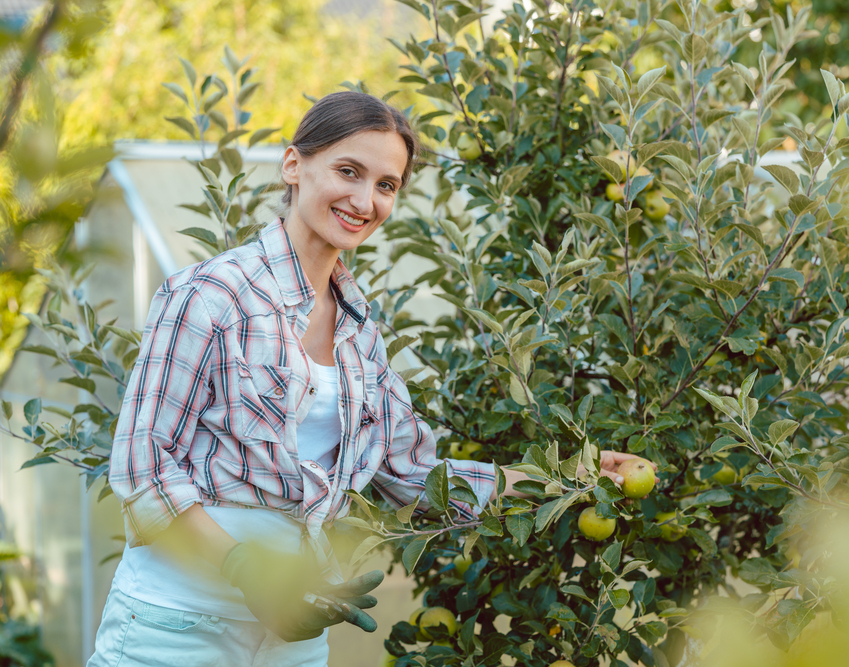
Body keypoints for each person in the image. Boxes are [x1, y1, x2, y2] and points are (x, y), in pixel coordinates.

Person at [88, 91, 642, 666]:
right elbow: (142, 467)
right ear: (293, 165)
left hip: (292, 629)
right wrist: (245, 568)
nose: (364, 200)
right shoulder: (211, 295)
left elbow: (416, 478)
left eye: (386, 184)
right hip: (177, 623)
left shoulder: (360, 336)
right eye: (348, 171)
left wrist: (563, 478)